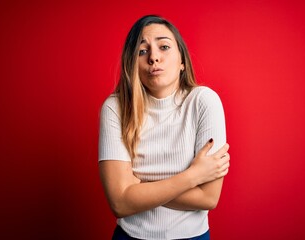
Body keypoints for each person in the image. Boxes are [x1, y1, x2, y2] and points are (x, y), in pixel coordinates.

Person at [98, 15, 230, 240]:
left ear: (182, 61)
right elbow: (120, 204)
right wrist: (194, 175)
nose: (153, 57)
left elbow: (208, 198)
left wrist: (138, 188)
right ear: (133, 64)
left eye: (164, 46)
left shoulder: (204, 101)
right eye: (142, 51)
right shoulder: (115, 107)